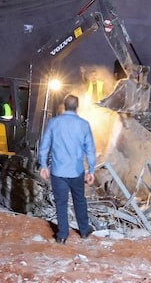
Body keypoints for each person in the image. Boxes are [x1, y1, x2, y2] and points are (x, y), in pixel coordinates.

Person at [38, 94, 96, 243]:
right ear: (77, 107)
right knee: (79, 200)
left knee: (61, 203)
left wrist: (43, 165)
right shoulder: (84, 124)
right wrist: (91, 170)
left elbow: (44, 145)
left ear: (64, 106)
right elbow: (90, 149)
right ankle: (84, 230)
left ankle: (62, 235)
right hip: (76, 171)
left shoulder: (53, 123)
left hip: (58, 172)